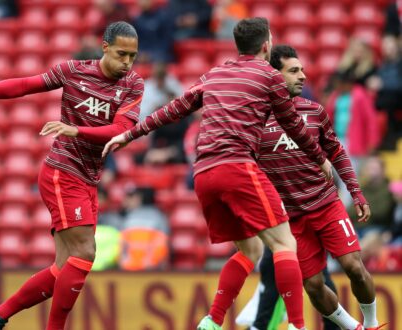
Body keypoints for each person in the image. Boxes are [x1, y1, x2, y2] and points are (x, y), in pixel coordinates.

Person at [103, 17, 332, 330]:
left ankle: (212, 320)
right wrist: (320, 159)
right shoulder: (269, 76)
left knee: (250, 250)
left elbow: (176, 108)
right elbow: (293, 124)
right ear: (266, 45)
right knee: (284, 243)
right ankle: (296, 325)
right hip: (237, 166)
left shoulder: (215, 73)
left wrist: (130, 134)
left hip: (204, 174)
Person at [0, 21, 143, 330]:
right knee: (85, 252)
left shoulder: (133, 84)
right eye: (121, 54)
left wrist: (75, 129)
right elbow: (29, 83)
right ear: (105, 47)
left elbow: (122, 130)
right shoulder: (73, 71)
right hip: (61, 171)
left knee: (64, 266)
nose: (127, 62)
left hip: (88, 178)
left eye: (132, 56)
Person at [253, 45, 383, 330]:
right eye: (294, 70)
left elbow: (336, 152)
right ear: (275, 76)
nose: (303, 76)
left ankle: (372, 324)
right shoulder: (255, 121)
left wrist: (356, 191)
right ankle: (354, 328)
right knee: (313, 285)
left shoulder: (314, 111)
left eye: (302, 69)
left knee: (354, 269)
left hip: (326, 205)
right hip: (291, 219)